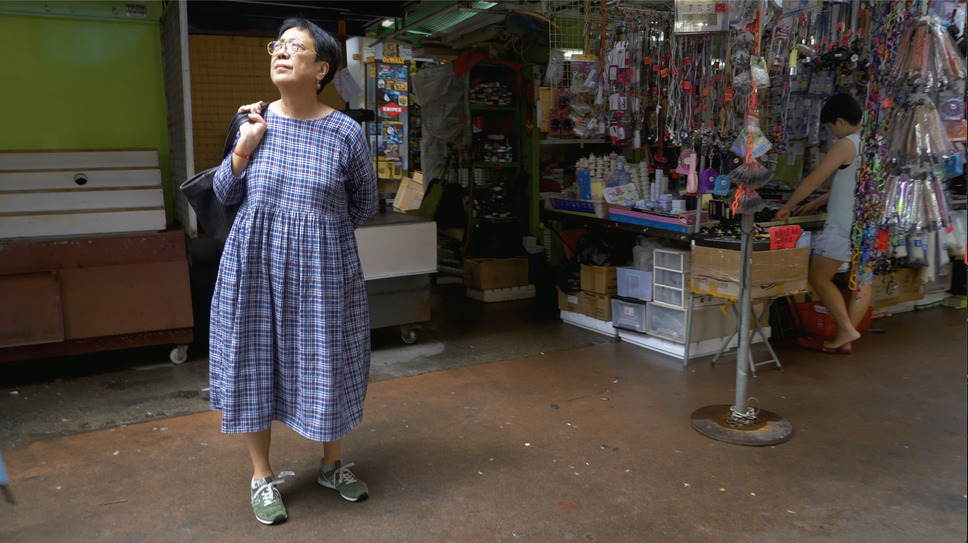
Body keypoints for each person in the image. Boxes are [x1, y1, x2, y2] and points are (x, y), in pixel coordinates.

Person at [208, 17, 378, 525]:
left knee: (329, 357)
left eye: (294, 47)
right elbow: (222, 194)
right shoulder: (252, 121)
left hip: (324, 269)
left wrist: (314, 231)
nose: (280, 53)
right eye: (277, 46)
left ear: (321, 68)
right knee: (253, 360)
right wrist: (245, 144)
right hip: (255, 266)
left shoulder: (345, 131)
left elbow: (363, 204)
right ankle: (262, 476)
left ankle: (331, 465)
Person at [774, 93, 870, 354]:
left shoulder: (845, 144)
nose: (831, 132)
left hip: (842, 225)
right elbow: (854, 185)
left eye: (829, 127)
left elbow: (813, 181)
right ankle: (846, 338)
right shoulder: (871, 143)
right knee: (862, 281)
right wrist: (816, 204)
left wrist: (787, 206)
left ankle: (847, 330)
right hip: (867, 225)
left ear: (840, 121)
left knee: (818, 277)